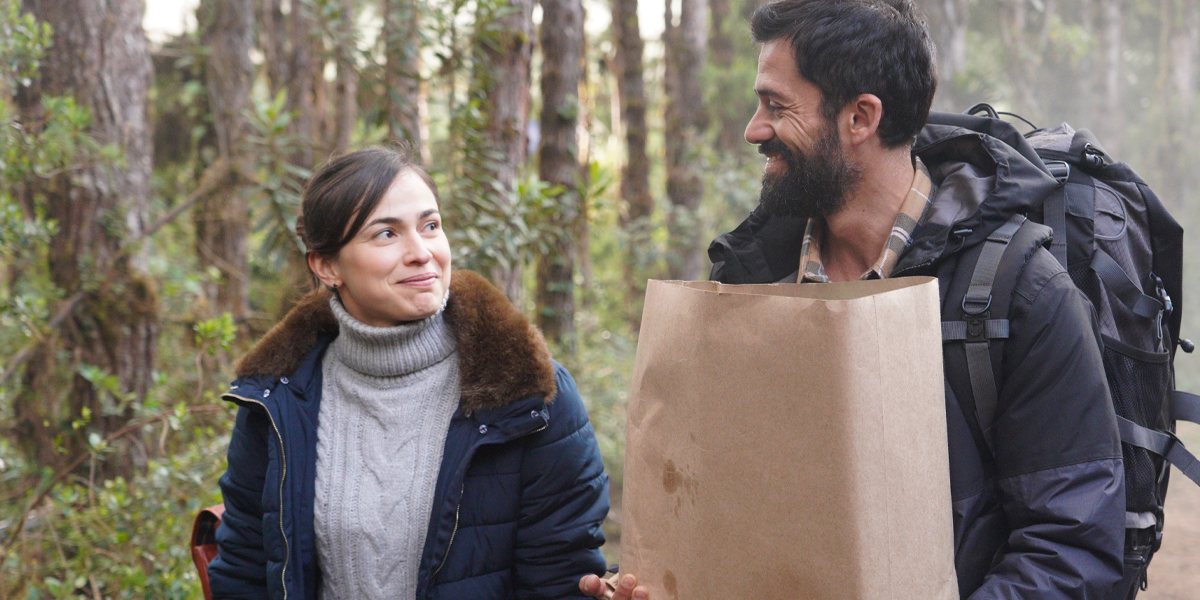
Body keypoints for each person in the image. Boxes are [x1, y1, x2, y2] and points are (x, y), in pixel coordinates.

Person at [582, 1, 1125, 599]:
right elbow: (716, 507)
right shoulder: (746, 277)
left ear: (860, 117)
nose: (754, 129)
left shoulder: (1018, 293)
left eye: (776, 106)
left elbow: (1071, 549)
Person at [207, 146, 611, 600]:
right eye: (386, 234)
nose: (421, 253)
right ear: (326, 266)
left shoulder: (529, 395)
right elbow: (243, 572)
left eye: (430, 226)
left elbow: (561, 581)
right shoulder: (276, 399)